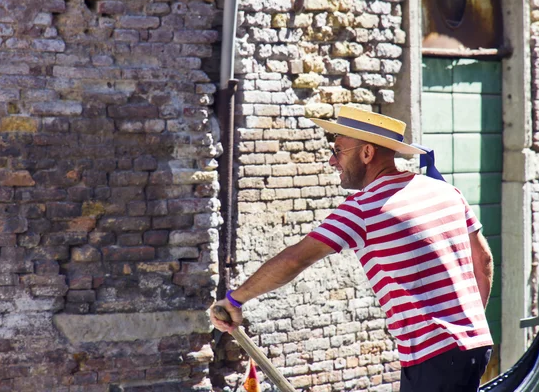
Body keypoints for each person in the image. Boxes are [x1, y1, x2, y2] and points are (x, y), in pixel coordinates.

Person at [211, 106, 494, 392]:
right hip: (476, 345)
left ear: (367, 153)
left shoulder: (363, 209)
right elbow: (483, 261)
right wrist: (468, 326)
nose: (333, 161)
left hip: (432, 356)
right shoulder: (446, 191)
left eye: (338, 150)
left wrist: (234, 300)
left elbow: (295, 259)